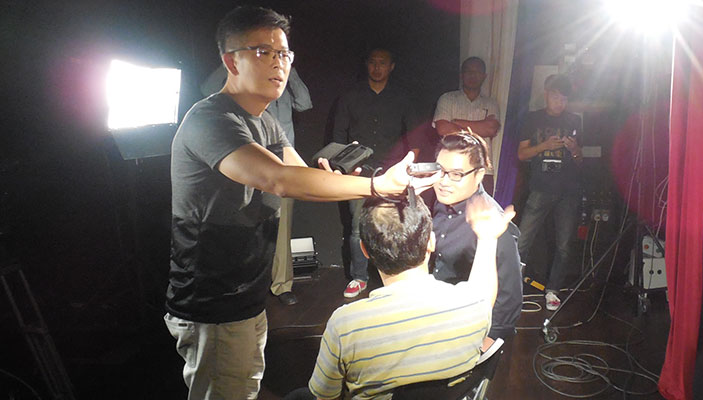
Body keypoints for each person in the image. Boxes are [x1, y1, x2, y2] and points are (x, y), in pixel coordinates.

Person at [165, 7, 435, 399]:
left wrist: (343, 179)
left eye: (284, 54)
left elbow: (299, 173)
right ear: (231, 61)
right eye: (264, 52)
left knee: (244, 386)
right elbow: (278, 179)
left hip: (247, 294)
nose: (279, 63)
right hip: (212, 301)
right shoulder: (210, 120)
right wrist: (377, 185)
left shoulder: (266, 121)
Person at [306, 194, 514, 400]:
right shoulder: (473, 305)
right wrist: (487, 239)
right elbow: (485, 291)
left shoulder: (345, 326)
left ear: (364, 250)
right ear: (431, 241)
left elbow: (325, 396)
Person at [201, 63, 313, 306]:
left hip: (284, 168)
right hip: (248, 168)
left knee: (281, 231)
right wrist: (233, 63)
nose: (273, 58)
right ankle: (244, 286)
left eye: (280, 52)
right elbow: (207, 89)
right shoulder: (243, 81)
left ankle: (282, 285)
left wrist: (290, 70)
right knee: (244, 228)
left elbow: (304, 103)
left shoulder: (284, 80)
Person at [332, 48, 421, 298]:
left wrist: (408, 166)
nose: (377, 67)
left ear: (391, 66)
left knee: (393, 224)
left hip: (391, 170)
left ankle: (393, 276)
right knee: (357, 226)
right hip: (358, 171)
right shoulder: (350, 96)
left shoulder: (402, 97)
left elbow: (415, 137)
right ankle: (359, 277)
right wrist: (343, 170)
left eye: (382, 63)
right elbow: (338, 136)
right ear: (366, 64)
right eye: (373, 62)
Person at [431, 132, 521, 350]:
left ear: (479, 174)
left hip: (466, 331)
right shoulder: (440, 202)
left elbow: (510, 296)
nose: (443, 181)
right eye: (439, 171)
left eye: (456, 174)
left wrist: (486, 344)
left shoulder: (491, 222)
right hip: (435, 318)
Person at [516, 74, 583, 311]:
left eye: (564, 98)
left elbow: (580, 160)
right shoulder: (533, 119)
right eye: (555, 96)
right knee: (523, 240)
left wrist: (574, 149)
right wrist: (545, 146)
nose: (559, 102)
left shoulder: (574, 120)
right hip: (540, 187)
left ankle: (553, 290)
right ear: (546, 94)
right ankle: (512, 287)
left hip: (568, 190)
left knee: (564, 245)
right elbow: (521, 154)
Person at [432, 57, 501, 194]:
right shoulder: (447, 99)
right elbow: (443, 128)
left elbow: (490, 129)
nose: (472, 75)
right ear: (461, 75)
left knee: (481, 207)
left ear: (484, 76)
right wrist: (480, 127)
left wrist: (457, 122)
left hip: (482, 169)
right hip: (450, 170)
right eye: (468, 71)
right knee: (450, 206)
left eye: (477, 72)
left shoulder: (491, 103)